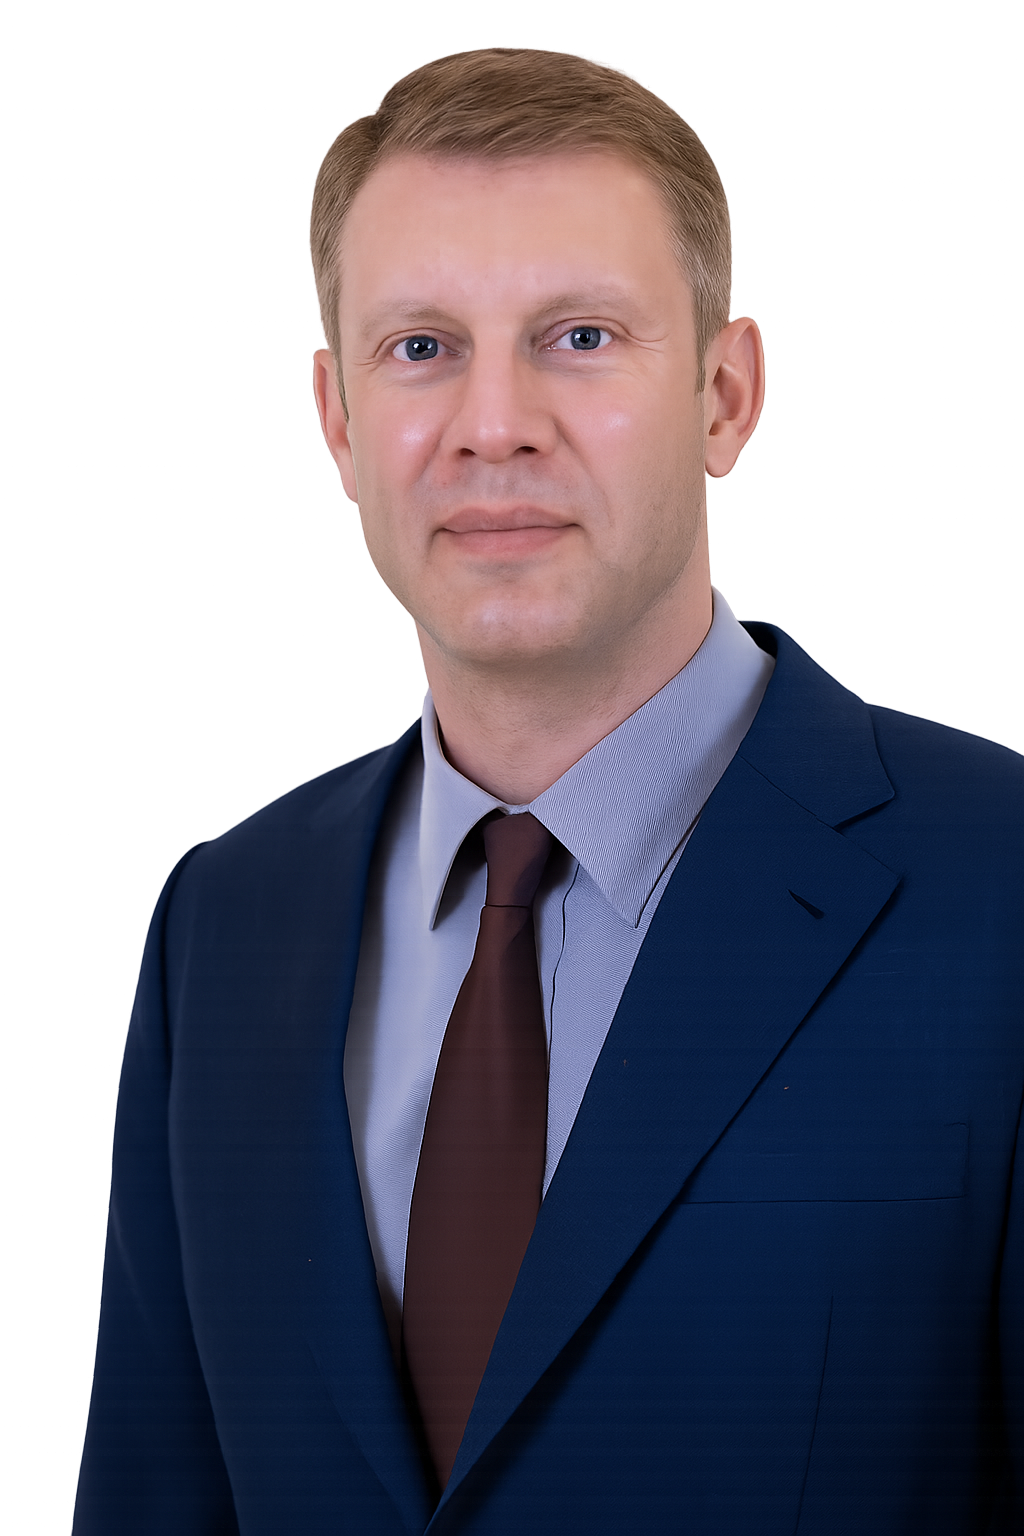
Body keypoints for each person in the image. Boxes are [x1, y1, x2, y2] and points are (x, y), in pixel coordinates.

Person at [72, 47, 1021, 1535]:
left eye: (579, 336)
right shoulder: (221, 926)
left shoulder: (1000, 895)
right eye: (421, 346)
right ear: (335, 421)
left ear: (725, 395)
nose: (494, 422)